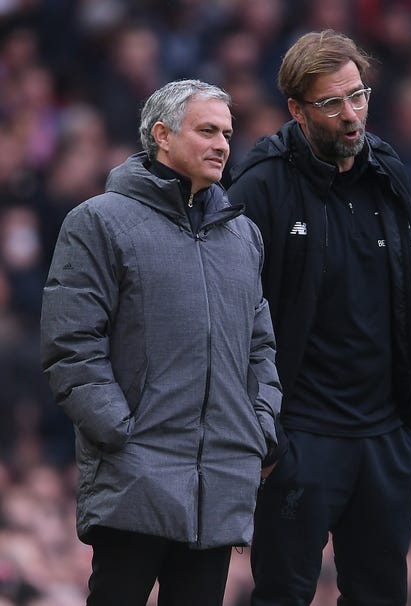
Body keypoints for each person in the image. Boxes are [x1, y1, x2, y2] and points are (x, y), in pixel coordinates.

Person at [40, 79, 282, 606]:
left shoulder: (243, 236)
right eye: (207, 131)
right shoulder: (98, 221)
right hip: (135, 474)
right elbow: (72, 344)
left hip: (219, 478)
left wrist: (258, 426)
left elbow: (260, 348)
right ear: (162, 135)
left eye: (226, 133)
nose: (222, 144)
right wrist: (121, 434)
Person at [228, 30, 411, 605]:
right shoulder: (261, 184)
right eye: (332, 103)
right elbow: (233, 322)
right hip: (299, 438)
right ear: (297, 110)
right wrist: (267, 441)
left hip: (386, 440)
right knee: (281, 596)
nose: (352, 115)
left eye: (359, 95)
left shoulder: (390, 173)